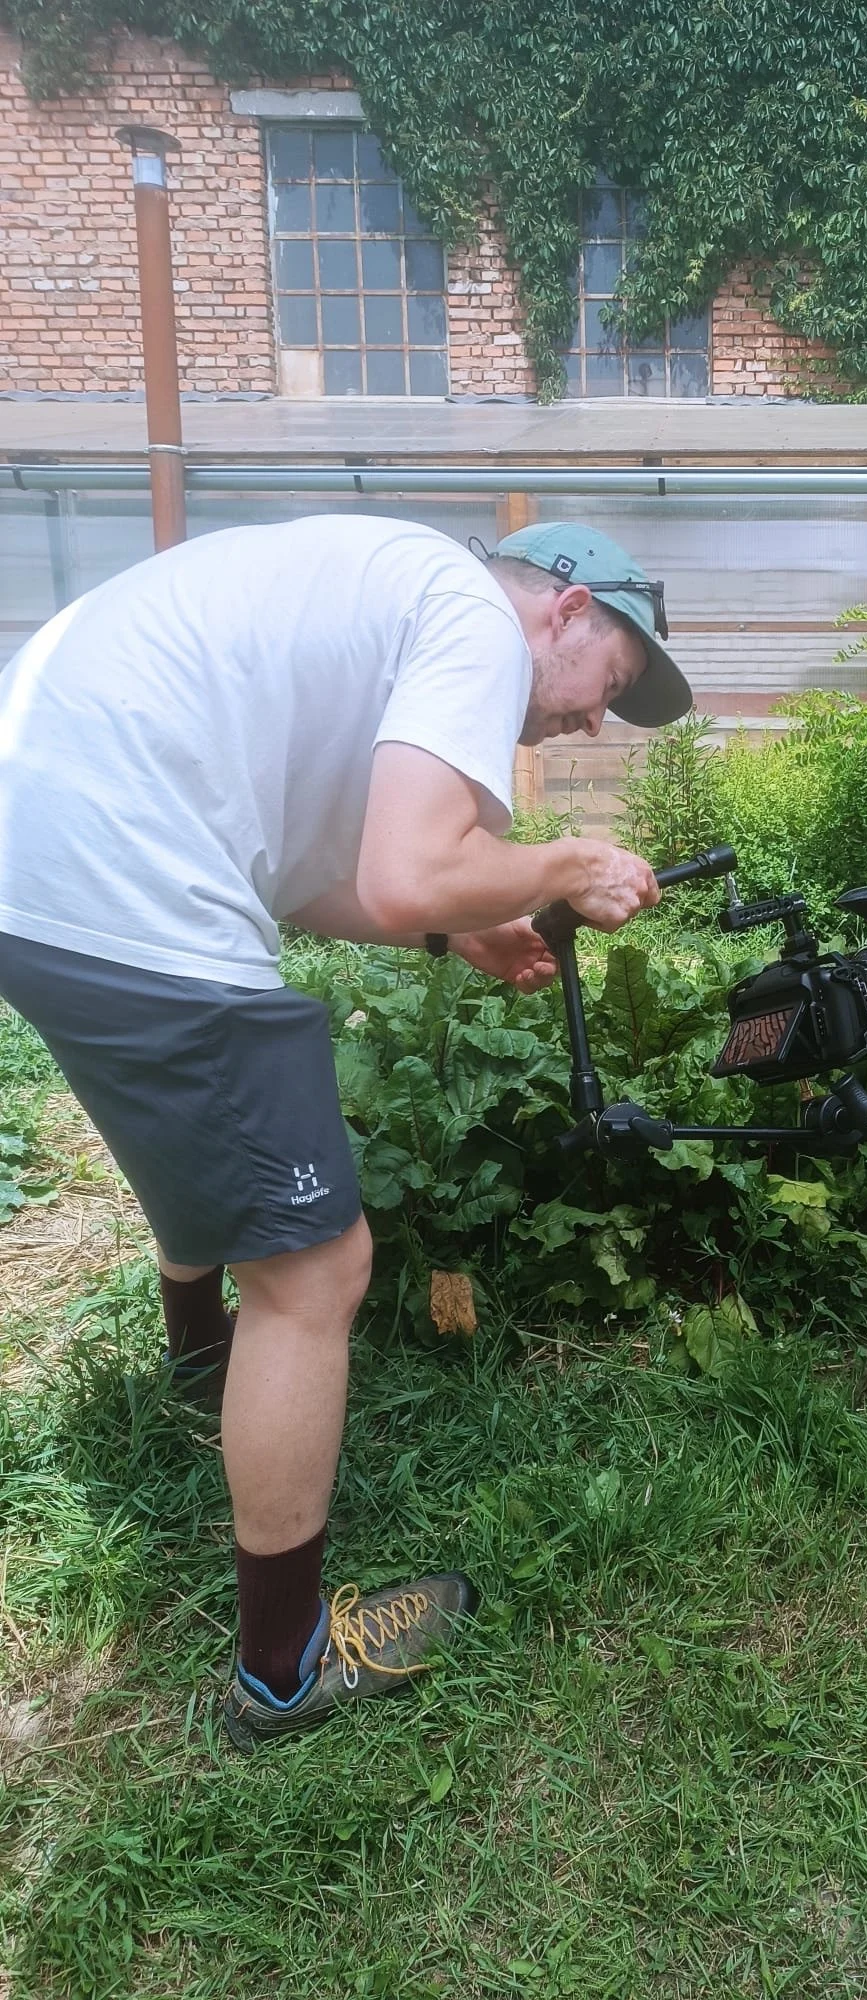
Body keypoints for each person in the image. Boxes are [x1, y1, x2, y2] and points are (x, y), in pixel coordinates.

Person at [0, 513, 693, 1745]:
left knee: (216, 1123)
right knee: (319, 1264)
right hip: (115, 872)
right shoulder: (475, 617)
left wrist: (451, 928)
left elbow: (315, 875)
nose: (593, 721)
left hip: (46, 849)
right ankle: (285, 1668)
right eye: (611, 686)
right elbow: (412, 867)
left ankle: (202, 1365)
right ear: (567, 608)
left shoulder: (386, 600)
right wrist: (567, 859)